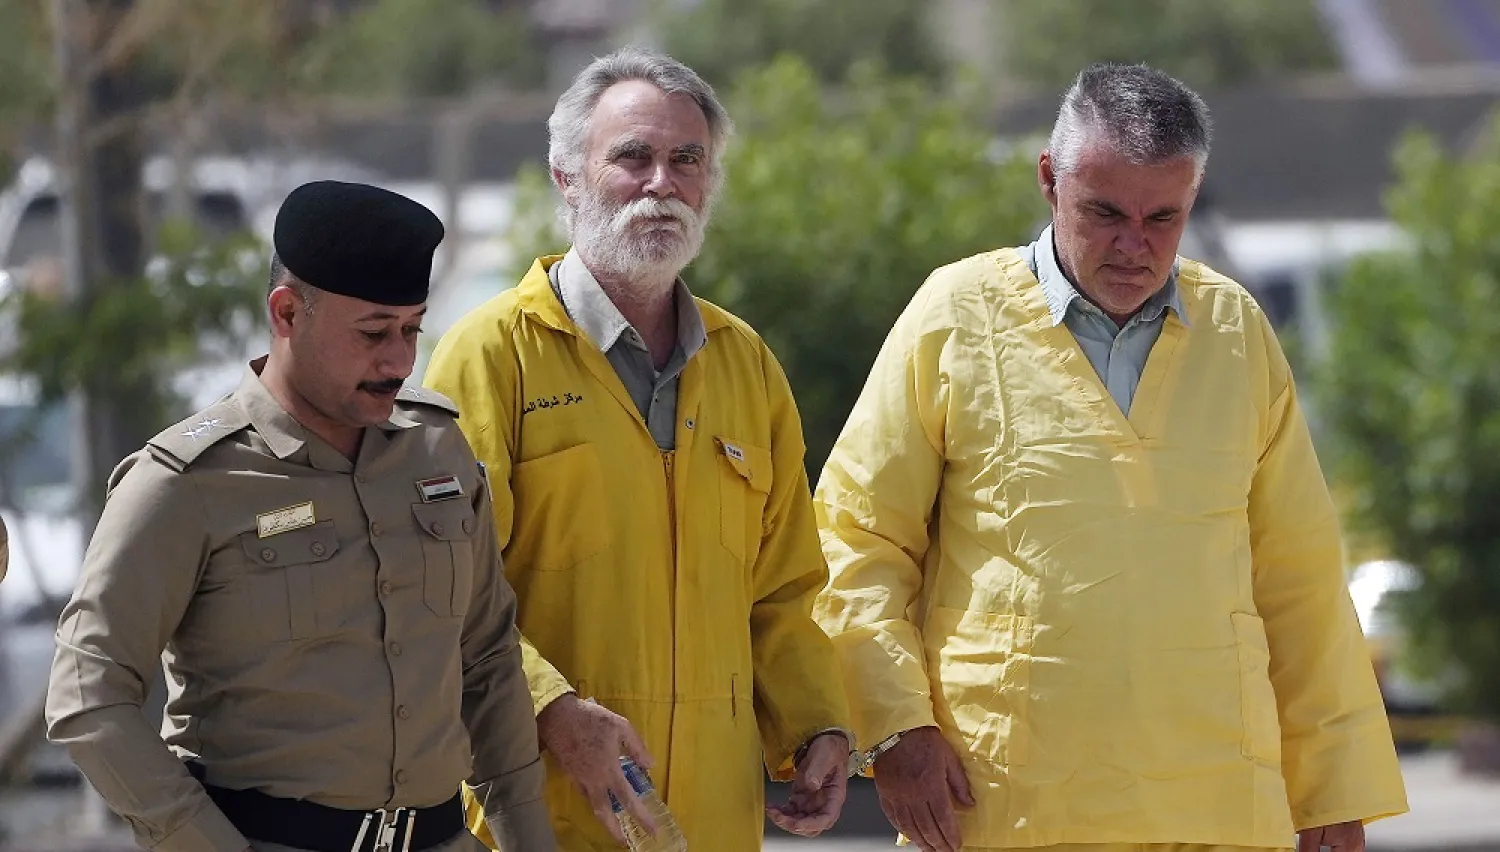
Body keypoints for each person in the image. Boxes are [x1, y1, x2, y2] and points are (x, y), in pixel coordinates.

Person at [812, 63, 1410, 852]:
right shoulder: (953, 315)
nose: (1135, 246)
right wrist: (893, 729)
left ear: (1194, 197)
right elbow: (858, 540)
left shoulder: (1236, 332)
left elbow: (1298, 579)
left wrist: (1331, 785)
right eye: (1104, 213)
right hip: (1001, 805)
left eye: (1164, 217)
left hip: (1216, 806)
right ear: (1049, 180)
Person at [423, 48, 852, 851]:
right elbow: (442, 588)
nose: (663, 183)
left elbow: (784, 589)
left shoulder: (746, 364)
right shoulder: (492, 356)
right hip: (540, 814)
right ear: (567, 177)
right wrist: (551, 709)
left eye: (687, 159)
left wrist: (816, 724)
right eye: (633, 156)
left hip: (712, 824)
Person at [45, 180, 556, 852]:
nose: (399, 360)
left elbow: (487, 659)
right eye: (374, 332)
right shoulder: (186, 482)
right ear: (287, 313)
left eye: (411, 329)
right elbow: (89, 696)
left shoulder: (438, 450)